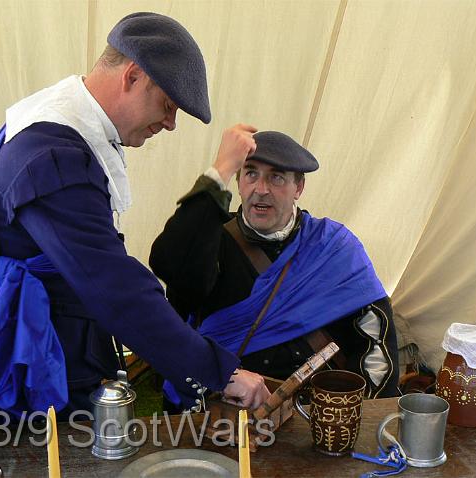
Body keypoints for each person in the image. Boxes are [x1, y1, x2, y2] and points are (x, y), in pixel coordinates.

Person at [0, 13, 270, 422]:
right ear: (133, 76)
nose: (171, 124)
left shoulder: (53, 128)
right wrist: (218, 371)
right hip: (30, 356)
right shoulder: (53, 155)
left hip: (43, 339)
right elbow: (113, 284)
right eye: (168, 105)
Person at [150, 127, 400, 410]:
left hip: (312, 411)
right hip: (227, 403)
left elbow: (374, 340)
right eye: (251, 173)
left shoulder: (335, 247)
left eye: (276, 177)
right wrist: (216, 175)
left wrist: (366, 416)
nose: (261, 189)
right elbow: (166, 263)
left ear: (299, 188)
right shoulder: (210, 238)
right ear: (238, 181)